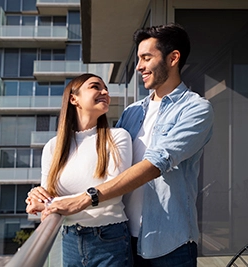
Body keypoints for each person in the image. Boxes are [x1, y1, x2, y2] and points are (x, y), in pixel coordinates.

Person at [39, 23, 214, 266]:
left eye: (147, 58)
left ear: (173, 58)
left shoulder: (196, 109)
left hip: (168, 243)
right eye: (139, 59)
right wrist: (43, 193)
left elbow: (155, 164)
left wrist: (83, 199)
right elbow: (101, 164)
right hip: (120, 238)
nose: (140, 66)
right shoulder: (131, 112)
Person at [26, 73, 133, 267]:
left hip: (110, 239)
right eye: (95, 86)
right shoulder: (53, 147)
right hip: (70, 238)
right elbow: (47, 198)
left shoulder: (117, 137)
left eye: (106, 88)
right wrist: (36, 196)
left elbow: (115, 192)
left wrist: (48, 204)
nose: (105, 92)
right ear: (74, 99)